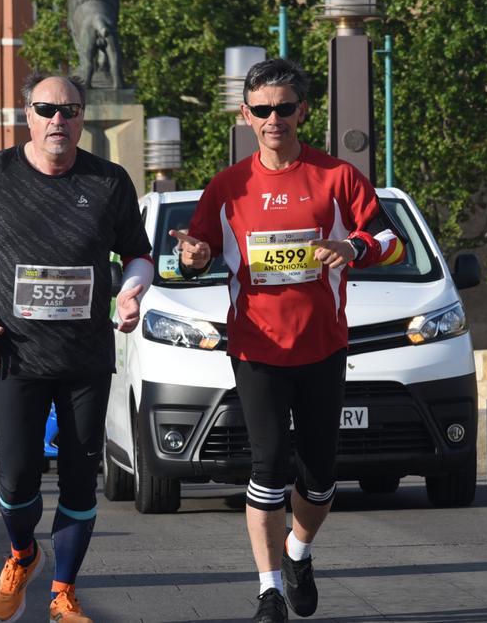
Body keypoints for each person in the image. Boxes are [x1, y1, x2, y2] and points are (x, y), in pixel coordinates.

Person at [171, 58, 404, 623]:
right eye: (261, 110)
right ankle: (268, 589)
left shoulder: (337, 177)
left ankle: (298, 553)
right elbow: (191, 256)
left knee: (321, 475)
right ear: (245, 116)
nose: (273, 119)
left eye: (283, 108)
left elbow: (391, 240)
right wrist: (191, 257)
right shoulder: (228, 187)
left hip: (322, 346)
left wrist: (357, 249)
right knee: (269, 465)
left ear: (302, 111)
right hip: (256, 349)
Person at [0, 72, 153, 623]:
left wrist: (129, 294)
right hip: (15, 355)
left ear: (82, 117)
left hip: (85, 358)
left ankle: (63, 592)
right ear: (27, 115)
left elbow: (139, 254)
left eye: (71, 110)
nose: (60, 119)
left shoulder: (109, 181)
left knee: (82, 479)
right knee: (16, 479)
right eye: (47, 108)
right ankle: (22, 554)